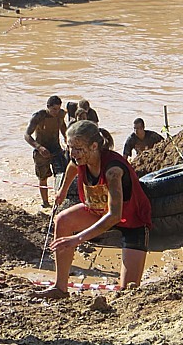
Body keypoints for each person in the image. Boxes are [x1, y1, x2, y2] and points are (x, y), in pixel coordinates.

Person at [37, 120, 152, 299]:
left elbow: (115, 216)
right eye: (70, 148)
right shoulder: (80, 160)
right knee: (62, 220)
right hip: (97, 210)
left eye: (78, 148)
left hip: (131, 220)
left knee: (128, 292)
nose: (73, 154)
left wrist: (78, 238)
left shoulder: (113, 171)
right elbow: (72, 168)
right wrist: (63, 190)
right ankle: (60, 287)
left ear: (94, 146)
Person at [24, 95, 68, 208]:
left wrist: (68, 140)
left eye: (58, 109)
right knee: (43, 178)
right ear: (48, 107)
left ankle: (60, 201)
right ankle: (45, 202)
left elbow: (63, 127)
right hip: (41, 150)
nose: (56, 112)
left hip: (56, 149)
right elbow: (27, 135)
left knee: (62, 175)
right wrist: (39, 147)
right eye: (54, 109)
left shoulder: (61, 114)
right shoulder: (38, 117)